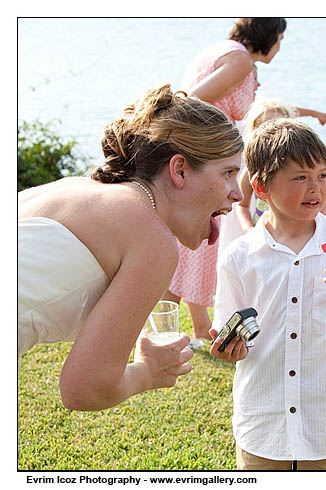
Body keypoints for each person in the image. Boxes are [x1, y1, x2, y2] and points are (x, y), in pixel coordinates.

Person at [18, 84, 244, 411]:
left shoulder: (77, 188)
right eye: (227, 173)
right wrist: (149, 373)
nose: (237, 194)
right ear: (179, 170)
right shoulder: (153, 240)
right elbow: (84, 388)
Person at [209, 118, 326, 470]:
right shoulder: (239, 256)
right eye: (300, 177)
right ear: (261, 187)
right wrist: (228, 348)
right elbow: (228, 338)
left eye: (322, 175)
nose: (316, 189)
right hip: (264, 422)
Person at [166, 18, 326, 349]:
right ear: (268, 36)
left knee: (192, 247)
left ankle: (180, 329)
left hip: (203, 156)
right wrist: (215, 144)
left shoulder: (222, 51)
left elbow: (256, 110)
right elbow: (191, 101)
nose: (280, 46)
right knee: (202, 246)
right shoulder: (241, 59)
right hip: (208, 157)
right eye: (280, 38)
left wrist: (309, 111)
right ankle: (194, 330)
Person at [218, 97, 326, 256]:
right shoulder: (249, 172)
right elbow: (242, 206)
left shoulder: (305, 169)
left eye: (322, 175)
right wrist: (249, 230)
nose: (274, 133)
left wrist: (319, 226)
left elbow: (323, 202)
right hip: (265, 232)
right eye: (265, 127)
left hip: (301, 230)